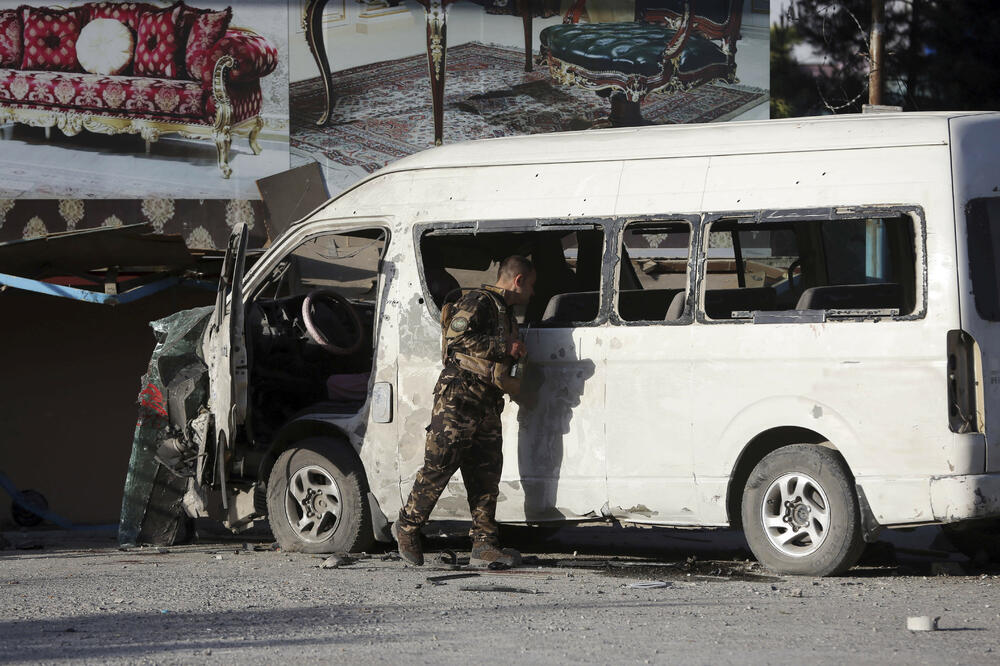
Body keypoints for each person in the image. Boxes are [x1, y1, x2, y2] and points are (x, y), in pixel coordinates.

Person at [391, 255, 536, 566]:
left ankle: (484, 544)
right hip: (458, 396)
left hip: (486, 400)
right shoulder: (478, 301)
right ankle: (407, 527)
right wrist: (503, 349)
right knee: (440, 465)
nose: (533, 294)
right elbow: (458, 337)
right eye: (531, 285)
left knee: (485, 474)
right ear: (519, 281)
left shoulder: (505, 313)